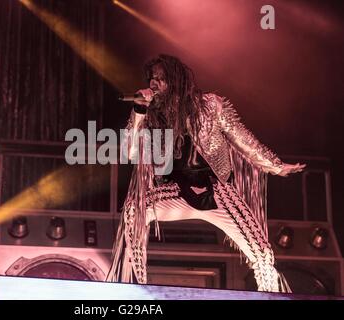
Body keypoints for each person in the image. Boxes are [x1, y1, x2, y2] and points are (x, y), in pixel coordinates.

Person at [107, 54, 305, 292]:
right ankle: (135, 289)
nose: (153, 83)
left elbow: (243, 140)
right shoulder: (151, 115)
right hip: (177, 191)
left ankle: (271, 296)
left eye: (160, 78)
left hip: (216, 193)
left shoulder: (211, 105)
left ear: (176, 78)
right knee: (134, 210)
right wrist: (139, 110)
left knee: (262, 252)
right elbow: (129, 152)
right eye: (151, 78)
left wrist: (275, 165)